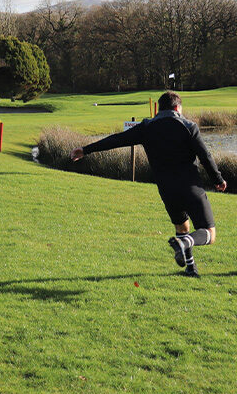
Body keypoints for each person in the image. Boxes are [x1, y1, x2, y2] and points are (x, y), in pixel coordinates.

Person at [70, 91, 227, 277]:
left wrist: (86, 150)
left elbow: (117, 140)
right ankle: (185, 243)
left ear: (159, 109)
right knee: (209, 233)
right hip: (190, 187)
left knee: (182, 228)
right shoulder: (189, 126)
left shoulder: (147, 127)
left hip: (167, 190)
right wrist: (218, 179)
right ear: (177, 108)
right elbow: (205, 157)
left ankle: (190, 268)